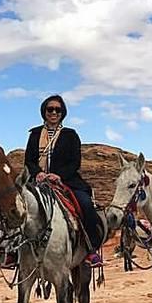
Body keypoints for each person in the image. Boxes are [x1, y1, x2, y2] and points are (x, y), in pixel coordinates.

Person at [24, 95, 102, 265]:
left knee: (85, 204)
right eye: (50, 109)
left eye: (57, 110)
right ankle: (13, 251)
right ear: (44, 112)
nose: (53, 112)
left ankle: (91, 249)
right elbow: (29, 160)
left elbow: (75, 162)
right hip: (38, 180)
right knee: (17, 205)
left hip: (65, 181)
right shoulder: (35, 134)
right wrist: (38, 172)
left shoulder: (70, 135)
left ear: (62, 113)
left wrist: (59, 175)